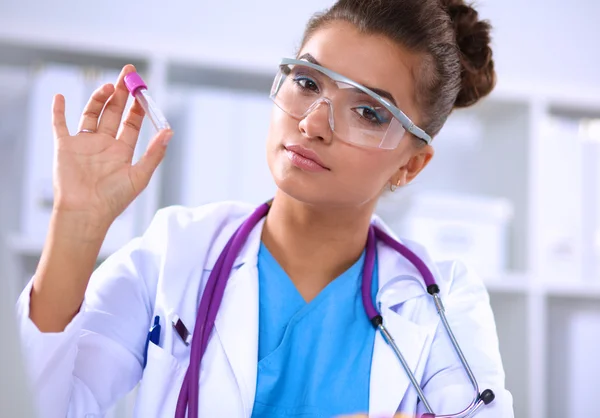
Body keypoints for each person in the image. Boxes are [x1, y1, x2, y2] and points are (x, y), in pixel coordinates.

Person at [15, 0, 515, 417]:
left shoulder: (442, 298)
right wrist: (76, 227)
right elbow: (33, 407)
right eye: (308, 82)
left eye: (367, 112)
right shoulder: (177, 251)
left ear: (411, 165)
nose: (314, 123)